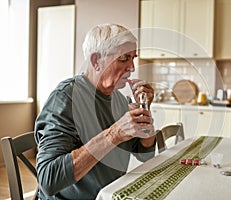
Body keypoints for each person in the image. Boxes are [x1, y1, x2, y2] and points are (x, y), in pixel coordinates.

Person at [34, 24, 156, 199]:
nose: (132, 68)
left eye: (133, 58)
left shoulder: (119, 99)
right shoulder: (66, 98)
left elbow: (145, 155)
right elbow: (49, 179)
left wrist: (145, 109)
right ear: (96, 61)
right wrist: (115, 133)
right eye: (124, 58)